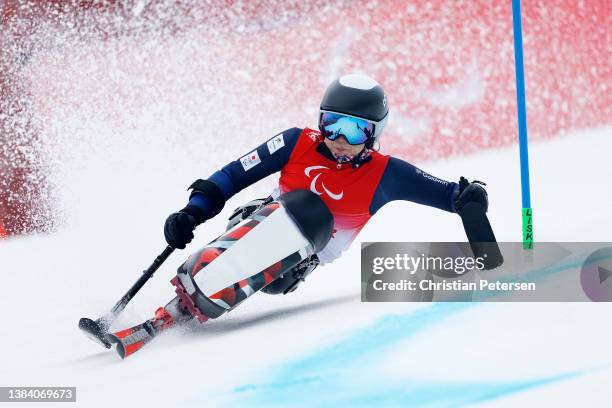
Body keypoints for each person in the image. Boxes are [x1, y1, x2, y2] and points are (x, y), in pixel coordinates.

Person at [163, 73, 490, 295]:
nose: (340, 140)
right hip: (257, 222)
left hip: (296, 262)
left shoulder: (387, 174)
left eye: (355, 131)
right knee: (298, 205)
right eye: (332, 125)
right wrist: (191, 213)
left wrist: (470, 195)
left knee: (312, 213)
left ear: (374, 134)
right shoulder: (295, 142)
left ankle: (225, 280)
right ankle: (202, 272)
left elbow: (451, 196)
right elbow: (233, 175)